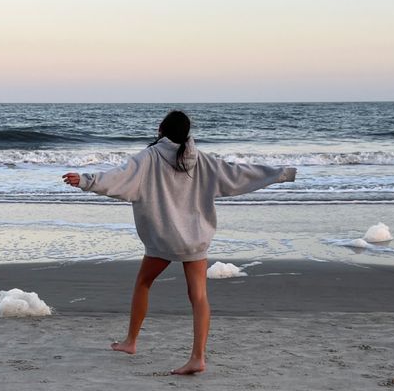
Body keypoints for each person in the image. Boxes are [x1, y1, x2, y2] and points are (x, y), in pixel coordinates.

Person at [63, 110, 296, 375]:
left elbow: (119, 178)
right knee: (198, 296)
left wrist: (84, 180)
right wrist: (281, 173)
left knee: (143, 283)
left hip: (163, 239)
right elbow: (239, 175)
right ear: (187, 133)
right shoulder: (203, 161)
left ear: (161, 129)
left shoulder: (149, 157)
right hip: (195, 240)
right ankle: (198, 357)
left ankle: (131, 342)